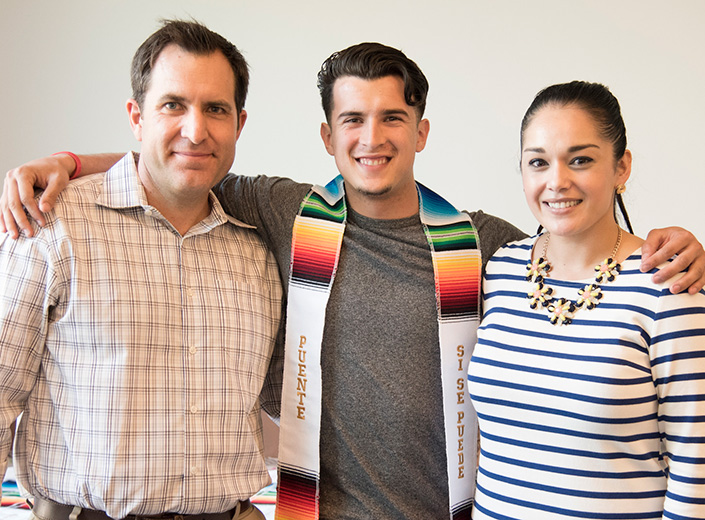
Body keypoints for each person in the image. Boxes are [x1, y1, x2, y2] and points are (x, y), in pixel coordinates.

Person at [2, 46, 705, 520]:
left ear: (421, 130)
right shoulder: (286, 210)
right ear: (326, 135)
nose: (372, 137)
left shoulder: (484, 243)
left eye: (392, 117)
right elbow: (182, 160)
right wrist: (64, 161)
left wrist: (674, 248)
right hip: (314, 513)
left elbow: (582, 252)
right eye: (352, 120)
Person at [0, 20, 283, 520]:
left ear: (239, 123)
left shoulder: (260, 248)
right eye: (173, 105)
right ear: (136, 116)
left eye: (215, 109)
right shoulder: (52, 224)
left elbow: (290, 404)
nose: (195, 130)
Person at [468, 81, 705, 518]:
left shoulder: (670, 285)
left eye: (580, 160)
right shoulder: (499, 269)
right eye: (538, 162)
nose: (557, 181)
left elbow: (697, 466)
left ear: (621, 168)